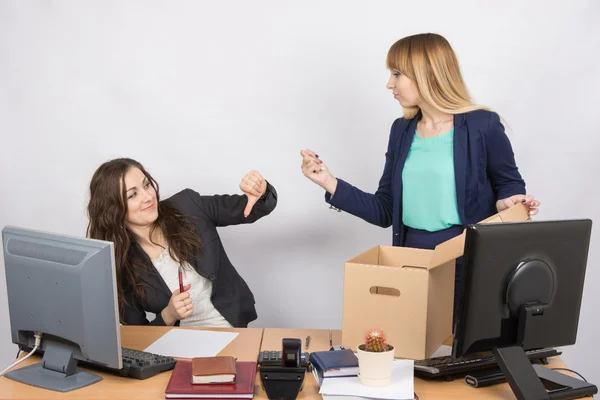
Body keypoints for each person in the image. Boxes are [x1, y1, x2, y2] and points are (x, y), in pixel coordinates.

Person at [300, 33, 540, 320]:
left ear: (427, 73)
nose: (390, 84)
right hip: (410, 262)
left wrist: (507, 201)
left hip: (465, 259)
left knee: (467, 355)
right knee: (411, 356)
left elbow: (509, 183)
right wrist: (329, 182)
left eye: (397, 74)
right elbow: (385, 210)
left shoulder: (482, 125)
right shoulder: (401, 130)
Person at [86, 158, 277, 327]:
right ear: (113, 210)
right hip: (177, 346)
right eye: (132, 195)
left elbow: (250, 208)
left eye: (146, 185)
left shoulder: (188, 206)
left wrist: (260, 193)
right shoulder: (120, 264)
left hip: (230, 328)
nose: (147, 197)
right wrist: (168, 315)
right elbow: (137, 337)